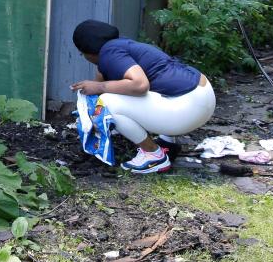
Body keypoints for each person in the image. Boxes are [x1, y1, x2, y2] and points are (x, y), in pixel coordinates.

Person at [70, 19, 215, 174]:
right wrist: (98, 84)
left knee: (106, 103)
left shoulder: (109, 53)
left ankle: (153, 155)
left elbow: (140, 85)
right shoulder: (120, 45)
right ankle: (167, 144)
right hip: (201, 98)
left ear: (88, 51)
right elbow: (107, 77)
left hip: (190, 108)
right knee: (134, 90)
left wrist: (97, 87)